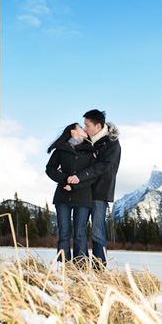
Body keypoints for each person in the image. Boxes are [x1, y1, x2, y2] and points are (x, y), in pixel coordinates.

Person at [67, 110, 121, 269]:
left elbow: (103, 167)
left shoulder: (112, 144)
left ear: (98, 126)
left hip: (100, 192)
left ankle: (99, 270)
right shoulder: (85, 140)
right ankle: (80, 268)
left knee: (97, 232)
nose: (85, 127)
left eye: (87, 125)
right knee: (79, 230)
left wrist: (81, 176)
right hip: (82, 191)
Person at [45, 123, 97, 267]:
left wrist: (74, 185)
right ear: (73, 132)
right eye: (81, 127)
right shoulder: (60, 151)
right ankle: (64, 267)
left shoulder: (90, 151)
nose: (85, 129)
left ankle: (81, 267)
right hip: (62, 196)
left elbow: (93, 175)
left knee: (80, 234)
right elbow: (50, 169)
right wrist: (64, 180)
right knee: (64, 234)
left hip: (83, 196)